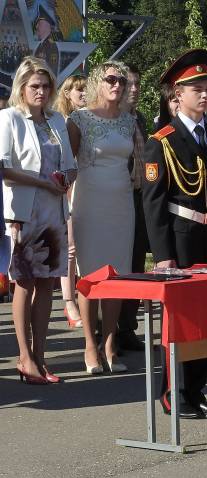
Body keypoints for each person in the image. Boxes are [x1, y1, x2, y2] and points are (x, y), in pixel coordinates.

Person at [142, 49, 207, 420]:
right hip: (180, 236)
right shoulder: (161, 141)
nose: (205, 93)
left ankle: (197, 389)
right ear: (177, 95)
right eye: (196, 87)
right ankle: (172, 392)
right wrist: (163, 254)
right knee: (180, 320)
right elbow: (153, 203)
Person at [0, 56, 76, 384]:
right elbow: (3, 166)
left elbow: (71, 164)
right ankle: (24, 357)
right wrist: (42, 181)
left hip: (53, 211)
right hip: (23, 212)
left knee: (47, 284)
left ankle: (41, 358)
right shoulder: (9, 118)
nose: (41, 91)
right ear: (22, 87)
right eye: (35, 86)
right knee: (24, 281)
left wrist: (65, 179)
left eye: (46, 86)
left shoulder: (57, 120)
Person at [67, 61, 135, 374]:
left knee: (117, 275)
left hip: (121, 205)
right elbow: (68, 168)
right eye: (110, 79)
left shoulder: (129, 120)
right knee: (91, 276)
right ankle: (90, 346)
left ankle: (110, 345)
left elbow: (140, 163)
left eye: (121, 80)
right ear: (99, 82)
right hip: (89, 202)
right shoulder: (79, 119)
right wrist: (65, 215)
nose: (116, 85)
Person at [116, 64, 149, 352]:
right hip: (117, 198)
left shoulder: (139, 118)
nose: (135, 89)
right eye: (130, 84)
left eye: (138, 84)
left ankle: (128, 326)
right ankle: (110, 327)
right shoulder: (112, 119)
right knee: (117, 264)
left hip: (140, 197)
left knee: (136, 264)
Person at [54, 74, 86, 329]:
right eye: (79, 91)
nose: (84, 95)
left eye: (87, 90)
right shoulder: (62, 121)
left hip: (89, 185)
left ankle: (84, 295)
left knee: (83, 245)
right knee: (71, 246)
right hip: (70, 187)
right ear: (67, 93)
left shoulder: (87, 118)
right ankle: (69, 300)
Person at [32, 6, 59, 75]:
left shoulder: (52, 46)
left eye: (39, 24)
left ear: (47, 26)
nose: (36, 27)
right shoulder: (41, 45)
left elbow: (52, 69)